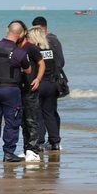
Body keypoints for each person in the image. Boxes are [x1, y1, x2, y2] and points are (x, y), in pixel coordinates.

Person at [0, 20, 31, 162]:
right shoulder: (19, 53)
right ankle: (8, 153)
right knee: (12, 122)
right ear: (21, 34)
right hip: (10, 89)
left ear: (7, 30)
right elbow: (28, 70)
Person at [31, 16, 65, 151]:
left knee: (38, 113)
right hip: (53, 83)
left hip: (39, 83)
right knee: (51, 113)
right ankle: (55, 142)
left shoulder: (35, 47)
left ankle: (39, 142)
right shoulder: (54, 42)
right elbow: (61, 62)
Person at [17, 26, 46, 162]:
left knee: (31, 120)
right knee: (23, 121)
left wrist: (38, 79)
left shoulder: (31, 48)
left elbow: (41, 63)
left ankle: (33, 150)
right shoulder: (13, 48)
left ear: (24, 33)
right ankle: (26, 149)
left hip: (31, 89)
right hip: (18, 89)